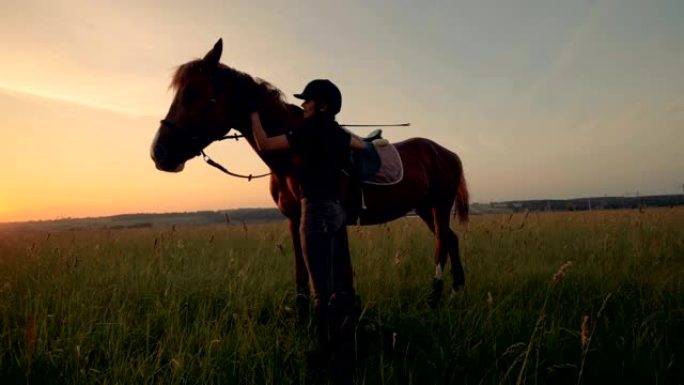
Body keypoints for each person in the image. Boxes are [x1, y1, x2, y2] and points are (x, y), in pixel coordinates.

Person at [250, 79, 367, 381]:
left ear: (322, 105)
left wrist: (252, 117)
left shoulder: (306, 131)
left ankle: (328, 356)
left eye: (308, 101)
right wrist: (345, 135)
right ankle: (349, 346)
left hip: (314, 213)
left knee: (320, 291)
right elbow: (363, 145)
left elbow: (265, 144)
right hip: (338, 212)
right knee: (340, 285)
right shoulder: (338, 133)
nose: (302, 105)